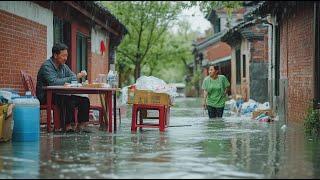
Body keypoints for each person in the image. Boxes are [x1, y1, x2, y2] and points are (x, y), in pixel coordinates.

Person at [36, 43, 90, 132]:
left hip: (59, 94)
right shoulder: (47, 66)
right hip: (45, 96)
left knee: (84, 100)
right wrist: (74, 77)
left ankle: (81, 125)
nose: (65, 58)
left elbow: (72, 76)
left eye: (66, 55)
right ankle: (68, 126)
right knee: (67, 100)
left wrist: (74, 78)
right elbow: (53, 82)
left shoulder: (63, 66)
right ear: (55, 55)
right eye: (63, 55)